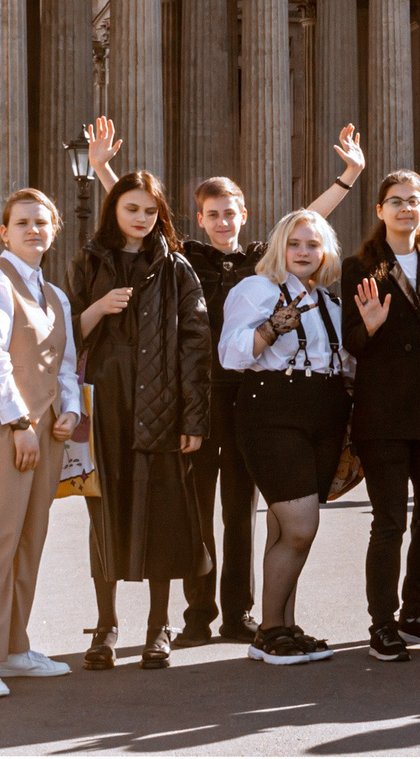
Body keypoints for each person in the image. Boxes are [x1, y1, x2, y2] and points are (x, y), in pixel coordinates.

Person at [139, 126, 361, 649]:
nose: (222, 221)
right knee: (200, 510)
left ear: (243, 215)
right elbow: (147, 222)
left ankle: (250, 616)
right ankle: (199, 615)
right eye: (212, 213)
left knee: (245, 514)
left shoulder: (279, 267)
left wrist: (348, 178)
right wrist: (104, 171)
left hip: (257, 401)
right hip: (212, 396)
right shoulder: (202, 263)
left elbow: (307, 224)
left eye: (229, 212)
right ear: (200, 218)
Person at [68, 170, 214, 671]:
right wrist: (98, 308)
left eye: (150, 211)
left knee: (163, 519)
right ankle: (106, 627)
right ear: (114, 211)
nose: (141, 219)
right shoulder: (90, 262)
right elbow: (63, 337)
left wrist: (193, 417)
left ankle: (159, 626)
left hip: (163, 406)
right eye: (132, 209)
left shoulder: (178, 269)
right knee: (103, 518)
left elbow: (196, 347)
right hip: (106, 406)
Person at [0, 189, 84, 700]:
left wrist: (69, 410)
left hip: (44, 431)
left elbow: (65, 364)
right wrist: (18, 423)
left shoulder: (56, 295)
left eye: (42, 222)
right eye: (22, 222)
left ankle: (12, 647)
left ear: (53, 231)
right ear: (4, 232)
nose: (33, 229)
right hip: (2, 430)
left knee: (29, 540)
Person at [218, 207, 353, 665]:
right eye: (294, 243)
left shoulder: (330, 302)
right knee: (300, 527)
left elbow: (343, 364)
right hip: (273, 410)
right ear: (279, 246)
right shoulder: (257, 289)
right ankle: (270, 629)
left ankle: (285, 628)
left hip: (324, 411)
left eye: (312, 244)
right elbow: (231, 355)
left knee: (284, 527)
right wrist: (271, 327)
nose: (302, 252)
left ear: (325, 252)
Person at [341, 169, 420, 661]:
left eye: (414, 201)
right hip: (384, 414)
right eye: (396, 201)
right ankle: (383, 623)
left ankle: (419, 611)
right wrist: (368, 326)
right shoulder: (359, 267)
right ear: (379, 211)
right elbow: (350, 341)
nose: (406, 209)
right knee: (389, 520)